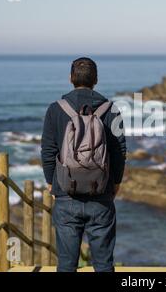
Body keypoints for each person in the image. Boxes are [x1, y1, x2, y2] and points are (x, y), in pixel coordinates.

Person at [41, 57, 126, 272]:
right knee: (104, 264)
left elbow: (48, 151)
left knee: (67, 264)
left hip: (66, 194)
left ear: (70, 78)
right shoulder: (111, 110)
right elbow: (119, 152)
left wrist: (51, 184)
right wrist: (115, 183)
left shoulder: (55, 109)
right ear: (95, 80)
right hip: (101, 194)